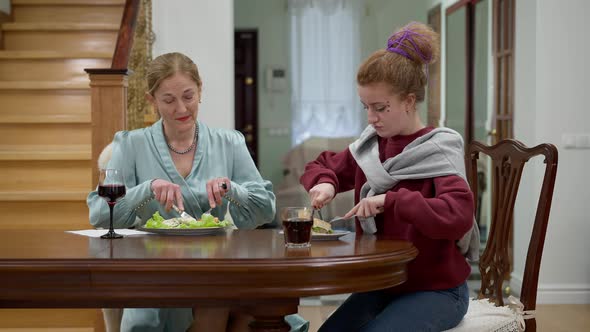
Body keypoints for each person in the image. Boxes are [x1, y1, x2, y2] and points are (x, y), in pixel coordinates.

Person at [87, 52, 308, 332]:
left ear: (200, 90)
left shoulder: (229, 142)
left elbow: (264, 209)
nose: (181, 108)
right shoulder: (132, 144)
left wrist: (231, 190)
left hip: (217, 267)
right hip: (153, 271)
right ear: (151, 100)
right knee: (218, 302)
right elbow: (99, 214)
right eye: (168, 100)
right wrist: (147, 189)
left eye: (188, 96)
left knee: (245, 310)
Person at [300, 22, 479, 332]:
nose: (371, 118)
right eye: (366, 107)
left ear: (409, 101)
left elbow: (458, 215)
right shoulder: (371, 146)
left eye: (380, 108)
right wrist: (326, 182)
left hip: (437, 289)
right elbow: (322, 164)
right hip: (384, 284)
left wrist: (392, 200)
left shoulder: (439, 148)